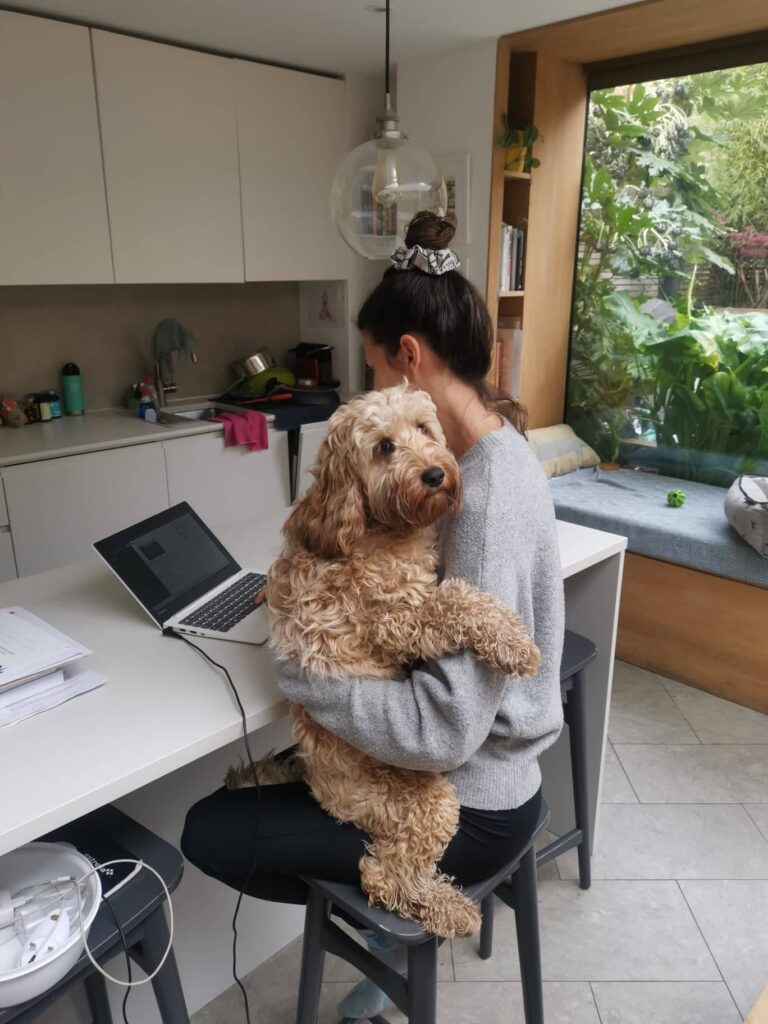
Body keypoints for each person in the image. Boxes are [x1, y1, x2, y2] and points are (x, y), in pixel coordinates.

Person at [181, 211, 565, 1020]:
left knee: (211, 830)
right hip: (489, 766)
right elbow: (400, 603)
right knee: (280, 775)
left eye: (373, 368)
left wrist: (307, 681)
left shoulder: (480, 502)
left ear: (411, 362)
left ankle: (389, 895)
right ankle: (379, 886)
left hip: (477, 799)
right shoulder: (490, 451)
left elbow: (448, 731)